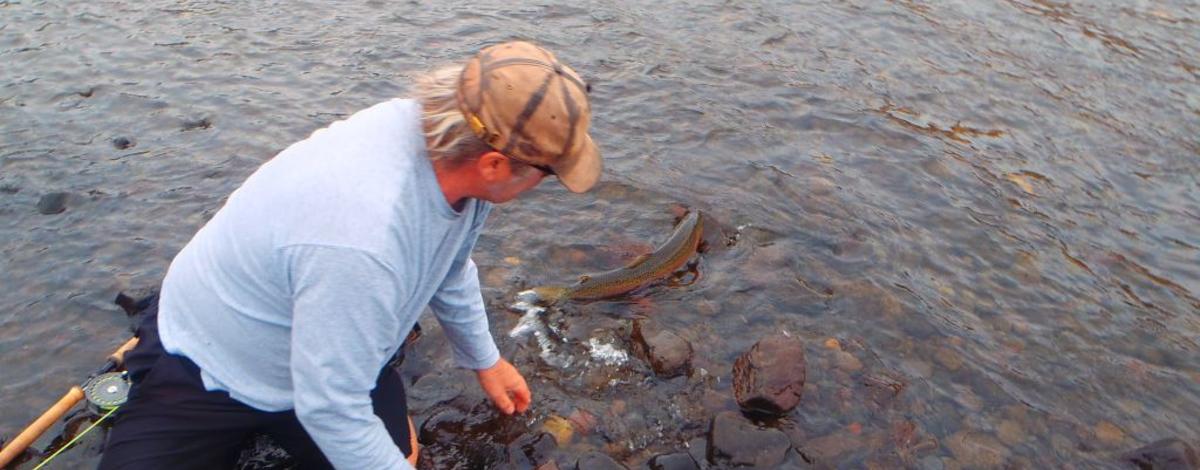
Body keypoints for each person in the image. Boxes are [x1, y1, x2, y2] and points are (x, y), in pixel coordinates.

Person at [97, 40, 601, 469]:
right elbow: (331, 407)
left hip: (335, 342)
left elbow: (450, 265)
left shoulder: (448, 152)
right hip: (208, 359)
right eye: (548, 173)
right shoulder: (364, 239)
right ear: (493, 163)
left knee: (402, 455)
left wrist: (484, 360)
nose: (544, 185)